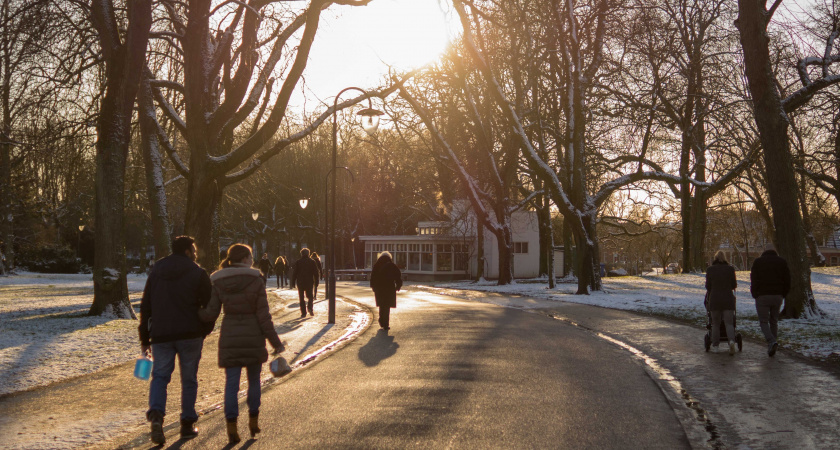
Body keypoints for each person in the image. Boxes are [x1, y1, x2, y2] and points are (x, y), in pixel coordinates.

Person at [199, 244, 284, 444]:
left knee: (231, 384)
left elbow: (211, 313)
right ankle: (253, 421)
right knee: (254, 381)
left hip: (230, 336)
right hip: (253, 336)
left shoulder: (219, 281)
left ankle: (231, 427)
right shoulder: (256, 280)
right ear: (245, 259)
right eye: (251, 257)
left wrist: (194, 312)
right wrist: (275, 342)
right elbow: (264, 316)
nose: (253, 260)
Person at [138, 236, 214, 445]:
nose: (196, 254)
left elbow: (146, 305)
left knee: (160, 377)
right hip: (190, 333)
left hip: (161, 334)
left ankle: (156, 416)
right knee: (189, 379)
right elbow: (210, 305)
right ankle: (187, 423)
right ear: (188, 251)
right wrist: (204, 330)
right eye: (194, 250)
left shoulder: (156, 271)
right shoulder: (198, 273)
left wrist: (145, 336)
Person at [750, 243, 791, 357]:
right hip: (777, 295)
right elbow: (787, 279)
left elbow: (754, 279)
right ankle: (773, 344)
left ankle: (771, 341)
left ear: (764, 251)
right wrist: (783, 293)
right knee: (774, 320)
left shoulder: (758, 262)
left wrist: (755, 293)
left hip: (762, 295)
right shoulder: (782, 262)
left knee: (763, 321)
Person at [705, 251, 738, 355]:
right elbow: (734, 285)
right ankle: (731, 341)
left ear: (715, 258)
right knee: (729, 323)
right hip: (728, 299)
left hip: (715, 299)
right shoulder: (730, 269)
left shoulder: (710, 270)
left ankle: (715, 346)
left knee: (715, 324)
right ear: (725, 258)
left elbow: (708, 286)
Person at [370, 251, 403, 331]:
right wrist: (398, 286)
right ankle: (386, 323)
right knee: (387, 306)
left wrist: (373, 286)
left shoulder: (377, 265)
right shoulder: (392, 265)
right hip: (389, 288)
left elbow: (373, 276)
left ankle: (381, 319)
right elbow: (398, 276)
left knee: (382, 305)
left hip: (379, 288)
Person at [290, 248, 320, 317]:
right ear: (308, 254)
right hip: (309, 281)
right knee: (310, 296)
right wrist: (316, 281)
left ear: (301, 254)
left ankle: (303, 313)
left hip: (300, 282)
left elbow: (295, 273)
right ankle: (310, 307)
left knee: (301, 297)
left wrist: (293, 282)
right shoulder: (312, 261)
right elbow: (316, 273)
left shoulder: (298, 262)